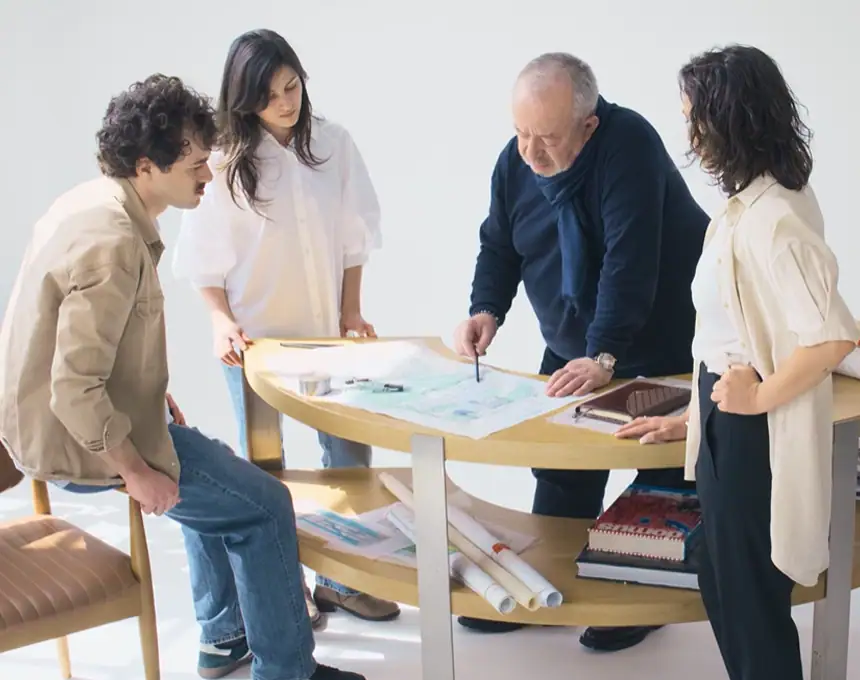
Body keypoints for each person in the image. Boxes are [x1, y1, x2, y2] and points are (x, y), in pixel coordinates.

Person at [0, 74, 364, 680]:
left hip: (45, 426)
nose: (208, 174)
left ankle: (223, 637)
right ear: (148, 165)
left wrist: (145, 391)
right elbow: (73, 387)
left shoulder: (91, 202)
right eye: (197, 163)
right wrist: (137, 472)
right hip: (76, 441)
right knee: (265, 504)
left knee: (217, 469)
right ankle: (287, 672)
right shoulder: (113, 241)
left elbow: (69, 341)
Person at [452, 52, 710, 650]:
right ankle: (540, 590)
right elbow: (499, 241)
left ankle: (638, 599)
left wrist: (605, 357)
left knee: (660, 471)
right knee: (562, 465)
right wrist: (485, 308)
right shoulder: (516, 160)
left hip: (659, 336)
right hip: (575, 341)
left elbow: (630, 262)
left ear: (588, 125)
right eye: (521, 134)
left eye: (547, 138)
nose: (531, 153)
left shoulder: (630, 145)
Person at [616, 45, 859, 680]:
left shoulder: (775, 217)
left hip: (753, 426)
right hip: (725, 414)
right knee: (723, 580)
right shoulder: (744, 207)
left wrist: (754, 400)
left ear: (730, 119)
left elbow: (832, 338)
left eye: (695, 115)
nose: (689, 131)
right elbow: (718, 333)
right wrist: (692, 420)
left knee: (749, 598)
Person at [171, 29, 399, 627]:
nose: (285, 101)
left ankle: (341, 581)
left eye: (292, 85)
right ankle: (284, 589)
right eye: (269, 93)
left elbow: (354, 240)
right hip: (254, 345)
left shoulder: (334, 144)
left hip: (327, 337)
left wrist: (352, 312)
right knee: (263, 473)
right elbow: (203, 259)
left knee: (349, 458)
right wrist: (220, 322)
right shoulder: (220, 163)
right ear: (243, 98)